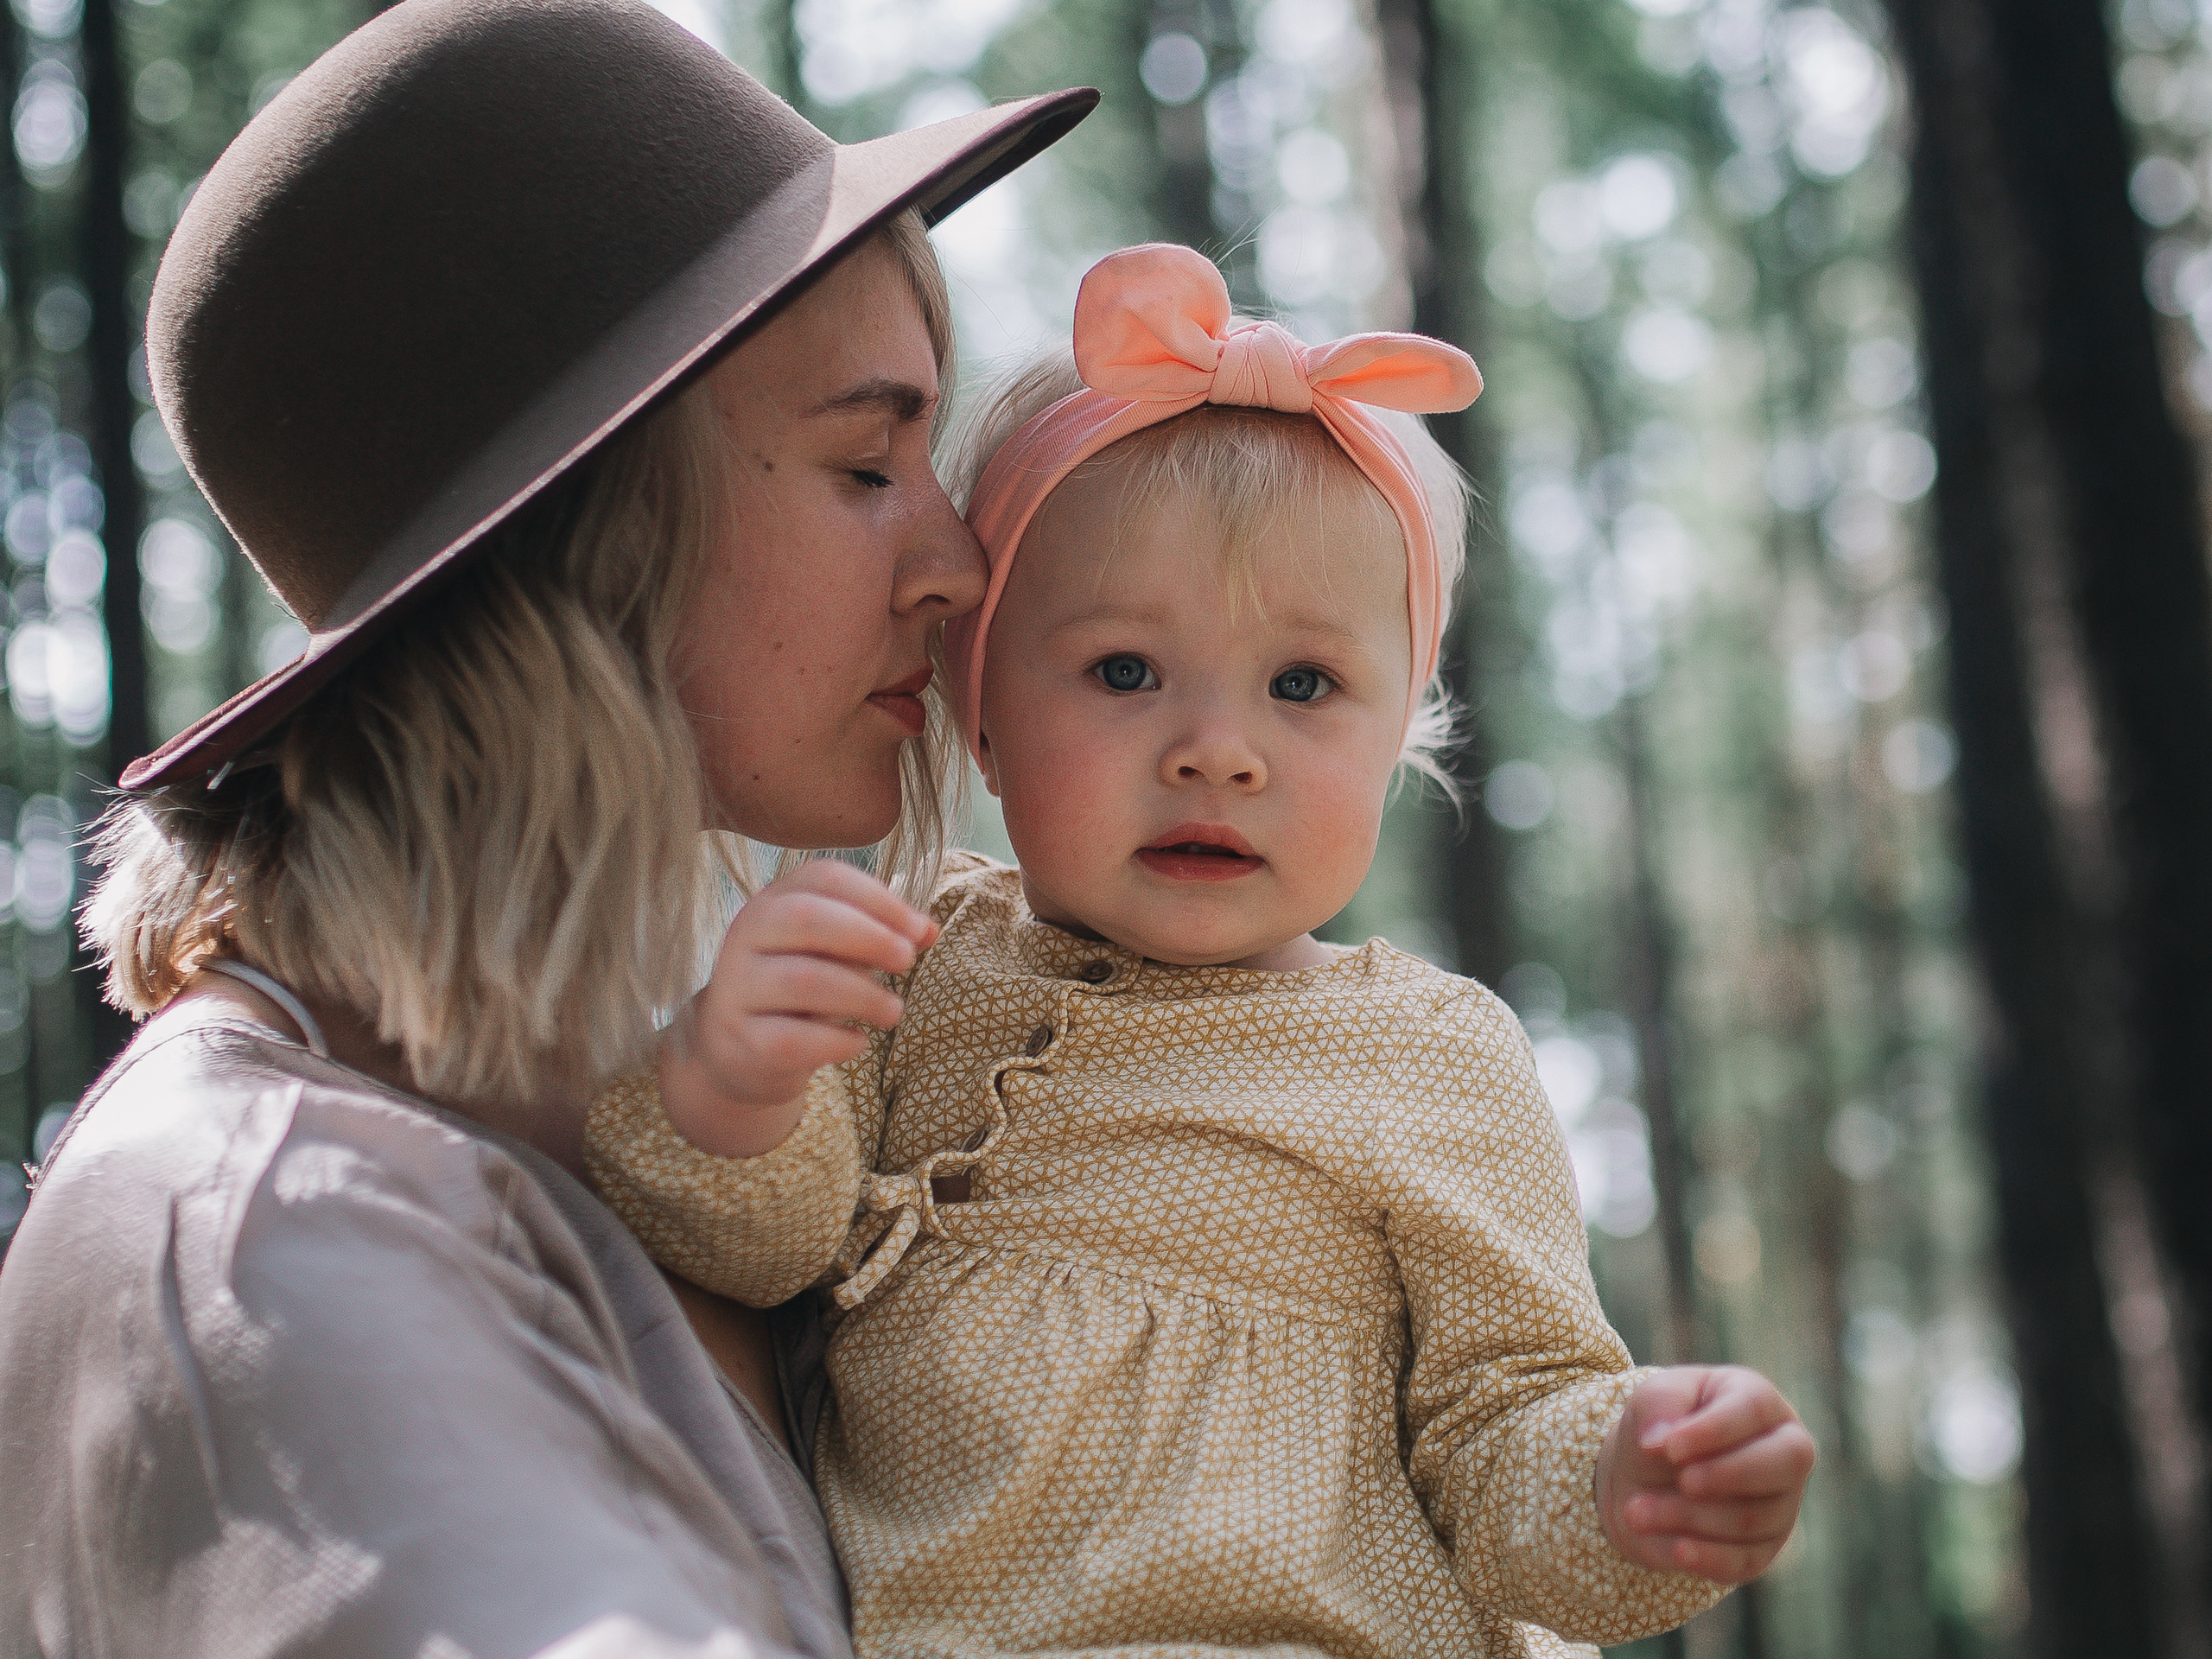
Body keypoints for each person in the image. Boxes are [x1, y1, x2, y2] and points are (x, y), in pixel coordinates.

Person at [0, 2, 1094, 1655]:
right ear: (579, 540)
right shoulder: (261, 1230)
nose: (959, 564)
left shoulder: (703, 1147)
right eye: (870, 464)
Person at [587, 245, 1819, 1659]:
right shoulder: (913, 965)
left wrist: (1623, 1482)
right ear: (979, 706)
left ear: (1400, 732)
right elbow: (759, 1246)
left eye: (1306, 686)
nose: (1216, 753)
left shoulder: (1428, 1054)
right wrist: (733, 1086)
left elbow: (1504, 1426)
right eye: (1124, 672)